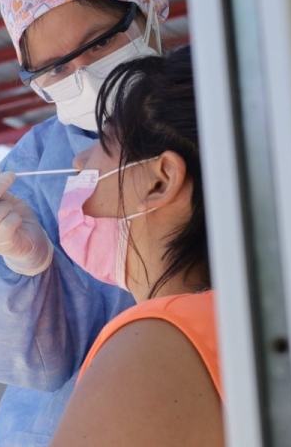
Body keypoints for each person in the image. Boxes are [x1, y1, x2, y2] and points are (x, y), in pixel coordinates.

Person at [0, 0, 170, 445]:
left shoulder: (227, 103)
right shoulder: (39, 164)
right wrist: (18, 267)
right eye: (56, 70)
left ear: (144, 14)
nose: (85, 77)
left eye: (100, 44)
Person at [49, 44, 224, 446]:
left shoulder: (154, 342)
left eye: (105, 141)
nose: (79, 161)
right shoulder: (234, 319)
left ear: (160, 181)